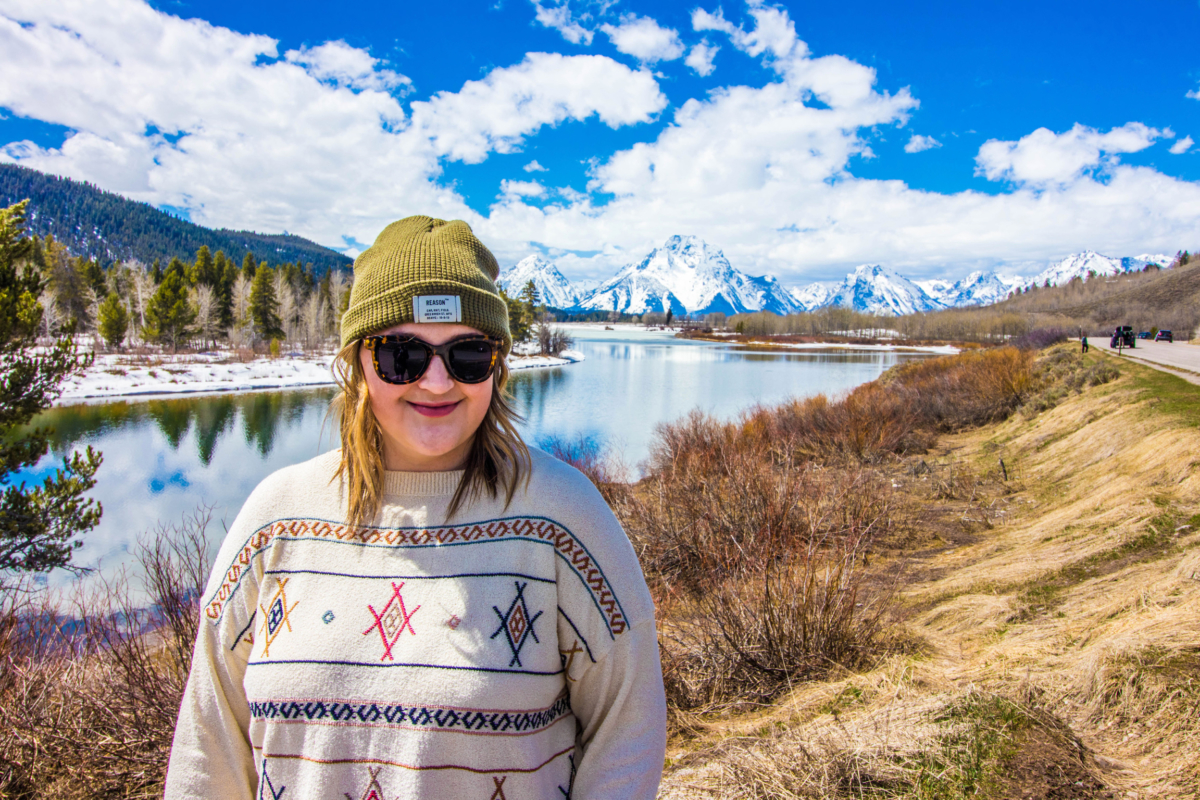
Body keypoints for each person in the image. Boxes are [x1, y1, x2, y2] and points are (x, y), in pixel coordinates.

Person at [165, 217, 667, 799]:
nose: (435, 382)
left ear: (497, 367)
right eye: (402, 355)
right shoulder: (274, 519)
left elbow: (627, 732)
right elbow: (208, 753)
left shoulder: (563, 518)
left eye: (468, 355)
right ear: (358, 362)